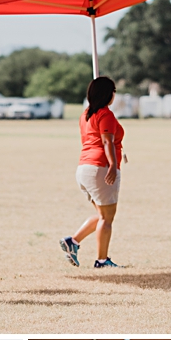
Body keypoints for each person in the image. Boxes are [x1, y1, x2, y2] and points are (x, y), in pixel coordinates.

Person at [60, 75, 124, 270]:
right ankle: (102, 260)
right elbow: (106, 141)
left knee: (102, 214)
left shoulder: (85, 114)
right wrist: (112, 164)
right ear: (108, 94)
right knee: (107, 217)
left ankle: (73, 241)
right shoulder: (106, 114)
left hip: (84, 168)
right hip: (100, 168)